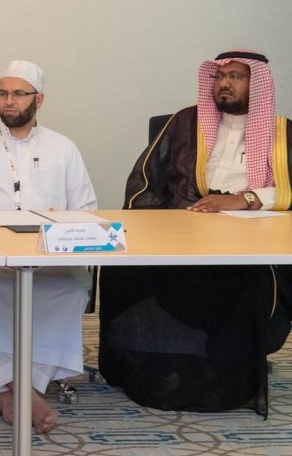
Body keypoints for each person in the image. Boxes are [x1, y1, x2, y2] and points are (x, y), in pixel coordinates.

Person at [99, 49, 292, 415]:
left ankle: (230, 372)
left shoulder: (283, 134)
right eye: (219, 77)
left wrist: (246, 199)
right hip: (184, 228)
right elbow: (145, 181)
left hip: (251, 239)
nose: (224, 84)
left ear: (258, 84)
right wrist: (163, 227)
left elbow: (288, 190)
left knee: (244, 280)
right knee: (121, 269)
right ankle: (141, 364)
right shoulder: (184, 124)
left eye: (236, 76)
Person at [0, 61, 97, 434]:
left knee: (73, 287)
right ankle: (24, 391)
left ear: (39, 100)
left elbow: (87, 209)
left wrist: (64, 219)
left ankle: (13, 391)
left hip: (49, 258)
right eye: (3, 93)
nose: (9, 101)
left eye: (19, 94)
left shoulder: (63, 147)